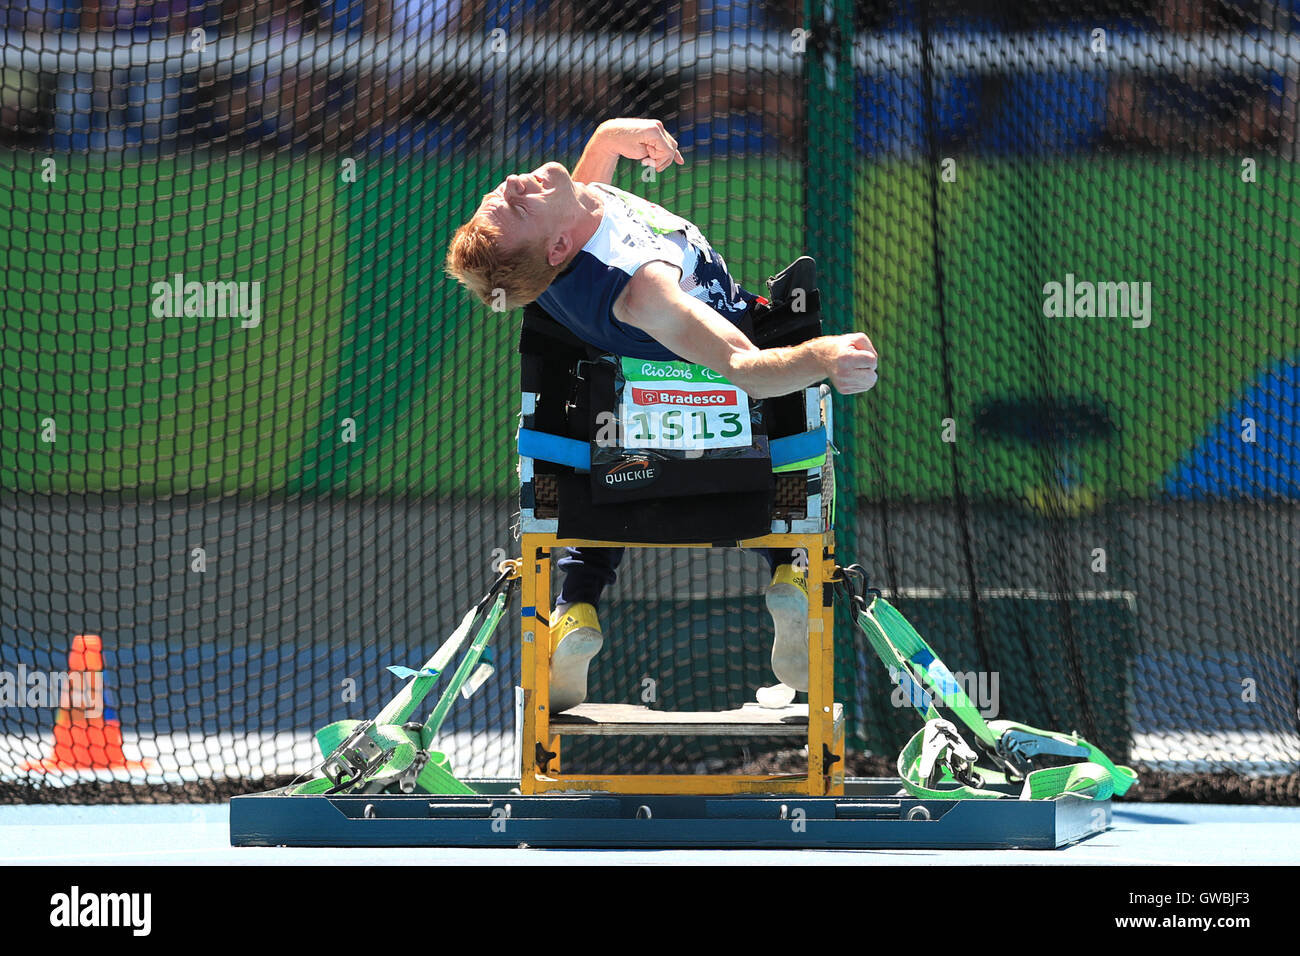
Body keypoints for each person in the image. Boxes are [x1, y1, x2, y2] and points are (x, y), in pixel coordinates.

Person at [445, 117, 878, 711]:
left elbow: (581, 202)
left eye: (499, 197)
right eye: (516, 208)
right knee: (774, 432)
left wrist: (603, 138)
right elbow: (743, 365)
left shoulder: (554, 251)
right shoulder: (645, 292)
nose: (512, 185)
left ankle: (574, 611)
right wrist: (825, 356)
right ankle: (793, 569)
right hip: (712, 412)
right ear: (556, 248)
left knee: (597, 464)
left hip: (620, 437)